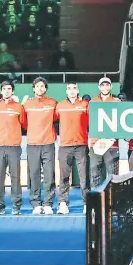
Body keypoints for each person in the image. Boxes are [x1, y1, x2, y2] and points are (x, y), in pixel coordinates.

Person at [23, 77, 58, 215]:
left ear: (45, 89)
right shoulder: (27, 104)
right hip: (32, 144)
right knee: (34, 175)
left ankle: (48, 203)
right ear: (33, 88)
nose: (40, 88)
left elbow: (56, 118)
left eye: (42, 86)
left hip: (48, 143)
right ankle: (36, 203)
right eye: (37, 86)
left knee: (49, 174)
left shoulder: (52, 103)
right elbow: (23, 122)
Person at [0, 81, 27, 215]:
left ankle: (16, 206)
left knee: (15, 177)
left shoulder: (19, 107)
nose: (6, 91)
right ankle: (0, 206)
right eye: (4, 89)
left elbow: (24, 124)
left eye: (9, 89)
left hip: (14, 147)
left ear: (12, 91)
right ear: (1, 91)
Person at [55, 81, 89, 215]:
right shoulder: (60, 106)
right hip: (65, 146)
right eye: (69, 88)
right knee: (64, 177)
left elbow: (92, 122)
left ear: (78, 90)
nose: (72, 91)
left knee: (84, 177)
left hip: (81, 145)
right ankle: (63, 203)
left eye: (74, 88)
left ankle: (87, 203)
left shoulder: (85, 105)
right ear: (66, 91)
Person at [89, 77, 120, 188]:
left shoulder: (117, 102)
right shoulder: (92, 102)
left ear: (111, 87)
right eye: (103, 85)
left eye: (107, 85)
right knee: (95, 173)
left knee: (113, 175)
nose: (105, 87)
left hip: (112, 144)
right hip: (96, 143)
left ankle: (112, 202)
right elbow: (89, 121)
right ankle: (96, 202)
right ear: (99, 87)